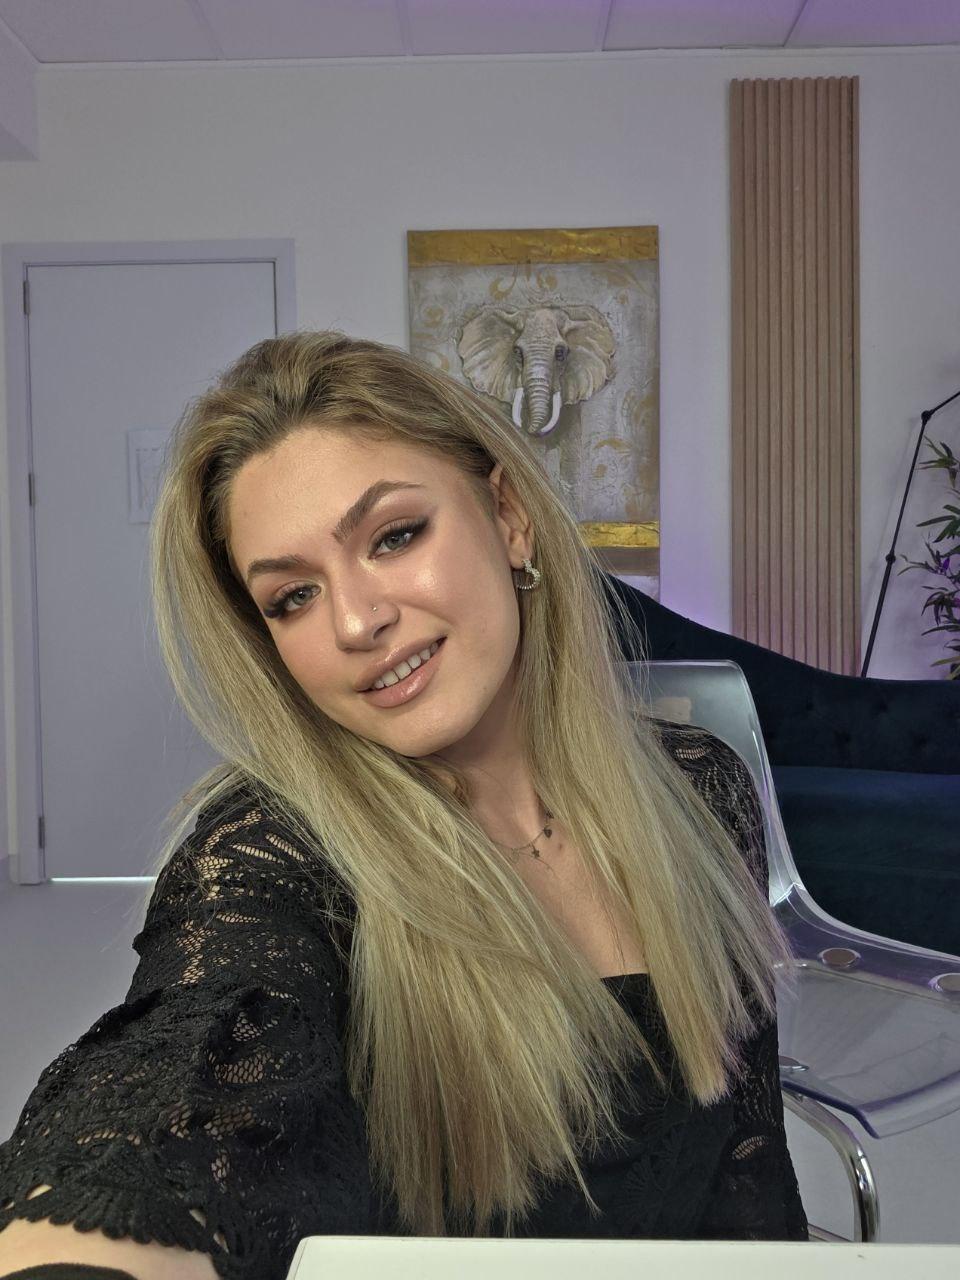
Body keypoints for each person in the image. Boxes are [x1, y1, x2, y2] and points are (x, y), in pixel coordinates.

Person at [0, 331, 808, 1280]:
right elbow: (169, 1100)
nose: (356, 621)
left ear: (508, 518)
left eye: (393, 537)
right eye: (293, 597)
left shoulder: (699, 787)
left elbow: (749, 1177)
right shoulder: (272, 858)